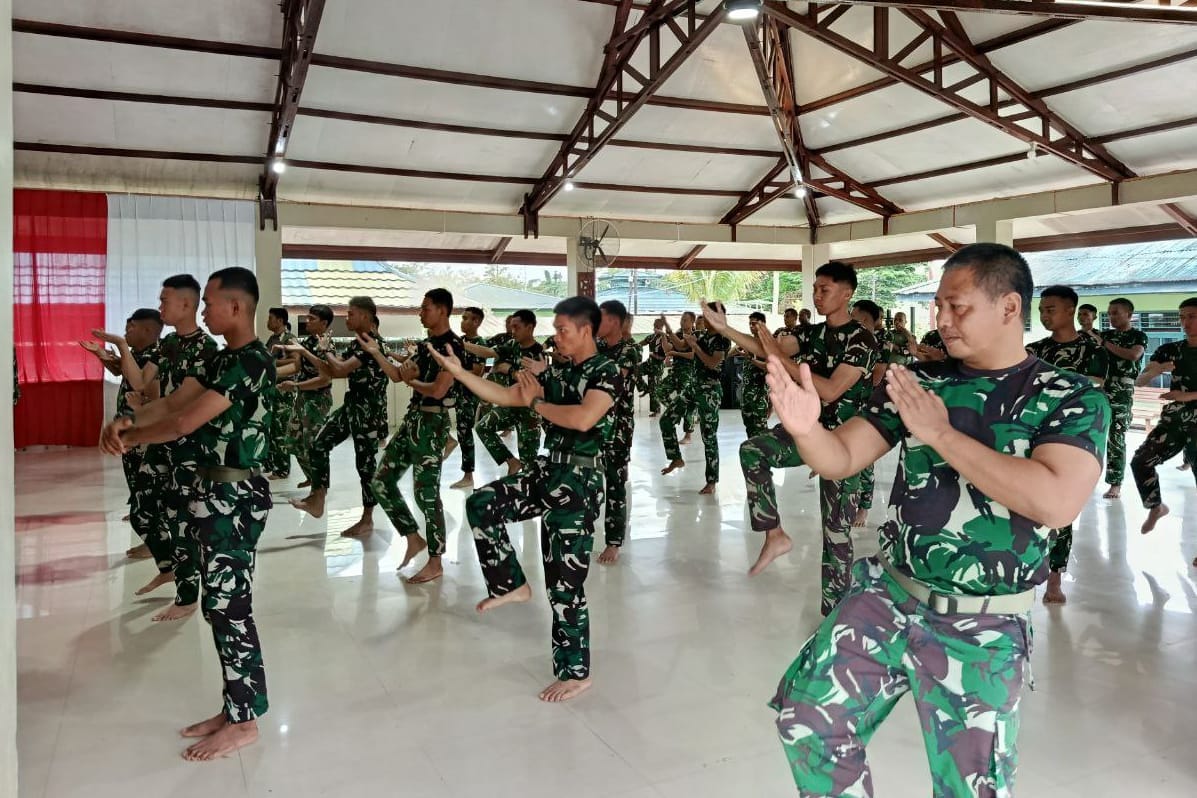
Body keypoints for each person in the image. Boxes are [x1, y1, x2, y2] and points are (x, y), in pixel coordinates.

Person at [764, 243, 1109, 796]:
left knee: (970, 788)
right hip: (889, 593)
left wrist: (940, 434)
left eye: (957, 306)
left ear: (1008, 307)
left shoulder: (1068, 396)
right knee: (807, 718)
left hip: (982, 623)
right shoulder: (919, 385)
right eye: (937, 306)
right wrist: (807, 429)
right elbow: (842, 458)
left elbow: (1056, 501)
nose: (941, 321)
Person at [100, 267, 275, 761]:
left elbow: (181, 423)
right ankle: (234, 707)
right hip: (213, 496)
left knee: (229, 608)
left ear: (237, 307)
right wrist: (127, 420)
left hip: (234, 500)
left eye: (210, 304)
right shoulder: (225, 360)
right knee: (218, 606)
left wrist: (129, 438)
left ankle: (245, 723)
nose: (204, 312)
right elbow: (173, 400)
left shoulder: (252, 362)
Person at [430, 296, 618, 703]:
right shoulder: (559, 372)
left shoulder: (607, 370)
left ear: (586, 330)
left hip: (581, 479)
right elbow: (505, 396)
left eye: (563, 330)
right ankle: (510, 584)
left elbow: (584, 418)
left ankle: (577, 673)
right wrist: (460, 373)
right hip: (548, 470)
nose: (556, 336)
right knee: (481, 503)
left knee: (565, 584)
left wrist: (536, 402)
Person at [708, 262, 876, 614]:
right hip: (807, 430)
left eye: (824, 289)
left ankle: (835, 616)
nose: (816, 295)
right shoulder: (811, 333)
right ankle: (774, 534)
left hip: (845, 442)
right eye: (814, 288)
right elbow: (764, 346)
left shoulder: (862, 339)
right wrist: (727, 330)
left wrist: (779, 358)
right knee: (753, 450)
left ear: (846, 294)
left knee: (836, 534)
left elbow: (830, 390)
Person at [93, 275, 218, 617]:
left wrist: (132, 424)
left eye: (165, 300)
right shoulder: (169, 345)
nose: (160, 306)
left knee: (182, 521)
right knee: (144, 508)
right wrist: (121, 345)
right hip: (162, 441)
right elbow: (139, 381)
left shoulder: (205, 350)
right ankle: (169, 568)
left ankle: (188, 597)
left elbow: (176, 405)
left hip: (188, 445)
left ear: (186, 304)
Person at [362, 288, 465, 583]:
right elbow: (397, 375)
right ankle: (412, 537)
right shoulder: (426, 345)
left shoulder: (451, 347)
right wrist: (376, 353)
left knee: (426, 494)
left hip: (432, 425)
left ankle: (436, 560)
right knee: (380, 481)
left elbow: (439, 390)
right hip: (413, 421)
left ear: (443, 310)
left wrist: (413, 381)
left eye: (426, 308)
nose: (421, 313)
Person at [1026, 285, 1108, 604]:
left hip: (1070, 439)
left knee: (1059, 509)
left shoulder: (1093, 349)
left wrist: (1047, 381)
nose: (1045, 315)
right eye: (1042, 310)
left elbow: (1095, 384)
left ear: (1070, 310)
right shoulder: (1034, 350)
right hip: (1032, 433)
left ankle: (1054, 578)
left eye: (1051, 309)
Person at [285, 296, 389, 537]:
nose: (347, 318)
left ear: (365, 316)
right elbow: (331, 369)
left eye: (351, 314)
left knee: (365, 465)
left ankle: (367, 518)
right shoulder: (357, 342)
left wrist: (325, 351)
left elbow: (339, 370)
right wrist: (314, 353)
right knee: (319, 444)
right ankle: (317, 498)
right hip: (352, 405)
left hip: (368, 410)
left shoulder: (372, 343)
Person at [80, 308, 163, 551]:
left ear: (147, 330)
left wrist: (118, 345)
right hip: (130, 424)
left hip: (143, 425)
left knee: (148, 484)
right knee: (136, 479)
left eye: (130, 328)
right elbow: (120, 370)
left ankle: (154, 542)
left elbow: (143, 385)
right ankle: (141, 515)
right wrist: (102, 354)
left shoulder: (155, 355)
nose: (126, 332)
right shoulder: (139, 353)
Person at [1131, 297, 1197, 534]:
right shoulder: (1171, 350)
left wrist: (1186, 396)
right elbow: (1140, 379)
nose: (1185, 322)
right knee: (1141, 461)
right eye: (1182, 317)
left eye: (1192, 317)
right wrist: (1155, 370)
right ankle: (1156, 507)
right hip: (1174, 422)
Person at [469, 309, 545, 475]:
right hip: (510, 406)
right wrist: (462, 344)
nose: (513, 331)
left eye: (517, 327)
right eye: (511, 327)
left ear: (530, 328)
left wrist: (509, 370)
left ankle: (529, 494)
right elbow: (489, 353)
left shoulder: (538, 354)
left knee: (529, 465)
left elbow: (529, 382)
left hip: (529, 412)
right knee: (482, 427)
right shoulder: (512, 345)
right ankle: (511, 461)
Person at [595, 300, 641, 565]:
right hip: (592, 422)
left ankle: (613, 541)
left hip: (618, 425)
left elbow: (613, 384)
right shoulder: (598, 347)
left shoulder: (630, 350)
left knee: (614, 481)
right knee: (588, 480)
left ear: (614, 322)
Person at [1095, 298, 1149, 499]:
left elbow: (1134, 355)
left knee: (1116, 436)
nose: (1111, 317)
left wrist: (1105, 344)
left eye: (1116, 312)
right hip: (1100, 386)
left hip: (1122, 389)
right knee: (1091, 433)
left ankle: (1115, 483)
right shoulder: (1105, 335)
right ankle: (1086, 477)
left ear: (1129, 314)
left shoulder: (1138, 336)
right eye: (1109, 313)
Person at [276, 305, 334, 489]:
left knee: (313, 445)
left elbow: (324, 379)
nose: (306, 322)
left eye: (312, 319)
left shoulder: (326, 345)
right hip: (303, 398)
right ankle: (312, 476)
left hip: (317, 400)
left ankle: (320, 487)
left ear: (324, 323)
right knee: (292, 441)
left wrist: (295, 385)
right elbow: (296, 367)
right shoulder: (307, 343)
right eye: (307, 318)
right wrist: (272, 373)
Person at [850, 299, 887, 528]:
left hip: (867, 404)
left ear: (864, 318)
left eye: (853, 315)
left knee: (865, 458)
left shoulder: (880, 340)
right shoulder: (853, 339)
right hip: (849, 404)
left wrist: (864, 395)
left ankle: (864, 507)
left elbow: (878, 373)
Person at [445, 306, 487, 490]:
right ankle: (448, 440)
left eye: (467, 318)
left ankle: (468, 475)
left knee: (464, 432)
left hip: (468, 394)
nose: (463, 321)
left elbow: (477, 372)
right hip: (455, 390)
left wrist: (457, 371)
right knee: (434, 410)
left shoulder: (480, 344)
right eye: (462, 318)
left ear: (476, 322)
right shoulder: (459, 341)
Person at [659, 311, 700, 473]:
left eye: (685, 320)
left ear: (692, 322)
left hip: (688, 373)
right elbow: (668, 348)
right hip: (675, 372)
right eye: (681, 319)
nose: (683, 322)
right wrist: (663, 336)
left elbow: (691, 355)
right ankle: (677, 412)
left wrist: (676, 353)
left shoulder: (696, 335)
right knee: (660, 391)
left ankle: (688, 434)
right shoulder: (677, 334)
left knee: (686, 403)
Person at [263, 308, 297, 480]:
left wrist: (273, 362)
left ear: (280, 321)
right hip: (271, 390)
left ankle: (282, 469)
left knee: (281, 430)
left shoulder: (289, 339)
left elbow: (296, 361)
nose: (268, 321)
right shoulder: (272, 339)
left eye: (271, 318)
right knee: (271, 428)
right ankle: (271, 464)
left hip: (284, 391)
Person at [735, 311, 772, 439]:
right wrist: (738, 345)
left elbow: (769, 367)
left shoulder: (768, 343)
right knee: (749, 427)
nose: (751, 326)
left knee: (760, 429)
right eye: (750, 324)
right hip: (747, 393)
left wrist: (750, 358)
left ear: (763, 324)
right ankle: (752, 456)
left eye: (754, 323)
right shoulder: (748, 341)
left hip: (759, 394)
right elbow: (728, 355)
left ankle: (763, 458)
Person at [638, 318, 668, 417]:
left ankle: (656, 410)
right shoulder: (651, 337)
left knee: (654, 389)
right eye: (655, 325)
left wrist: (657, 356)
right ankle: (644, 388)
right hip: (649, 363)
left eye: (658, 326)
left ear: (662, 327)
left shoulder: (665, 338)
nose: (656, 327)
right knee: (635, 370)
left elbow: (666, 353)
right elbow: (641, 343)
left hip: (658, 366)